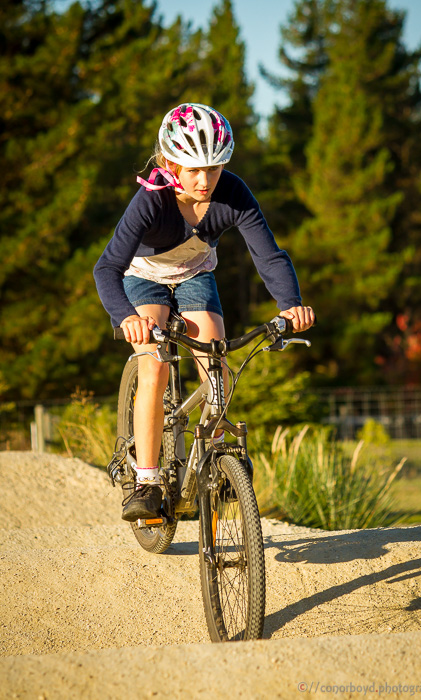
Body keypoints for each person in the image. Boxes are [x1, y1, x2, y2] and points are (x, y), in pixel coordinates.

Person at [94, 103, 315, 522]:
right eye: (193, 170)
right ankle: (146, 480)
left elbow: (268, 255)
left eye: (214, 168)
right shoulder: (150, 200)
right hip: (144, 277)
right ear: (170, 164)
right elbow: (106, 268)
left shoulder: (233, 193)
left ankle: (217, 456)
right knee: (155, 366)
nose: (204, 180)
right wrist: (127, 317)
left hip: (195, 275)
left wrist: (290, 305)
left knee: (215, 357)